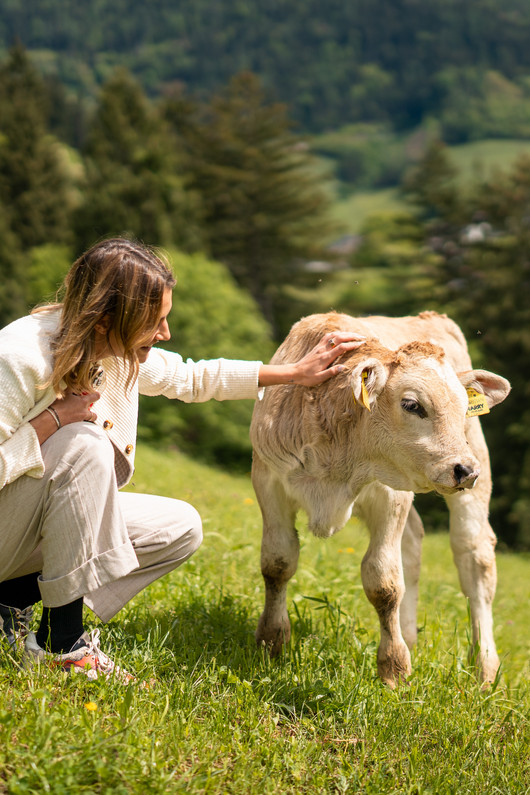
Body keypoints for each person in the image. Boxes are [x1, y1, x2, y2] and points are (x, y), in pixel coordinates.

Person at [0, 237, 364, 682]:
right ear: (104, 320)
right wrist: (55, 419)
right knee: (84, 442)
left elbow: (191, 377)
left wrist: (294, 374)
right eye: (155, 322)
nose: (165, 333)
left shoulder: (111, 348)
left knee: (178, 527)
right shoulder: (19, 356)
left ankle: (10, 599)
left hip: (22, 527)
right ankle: (61, 644)